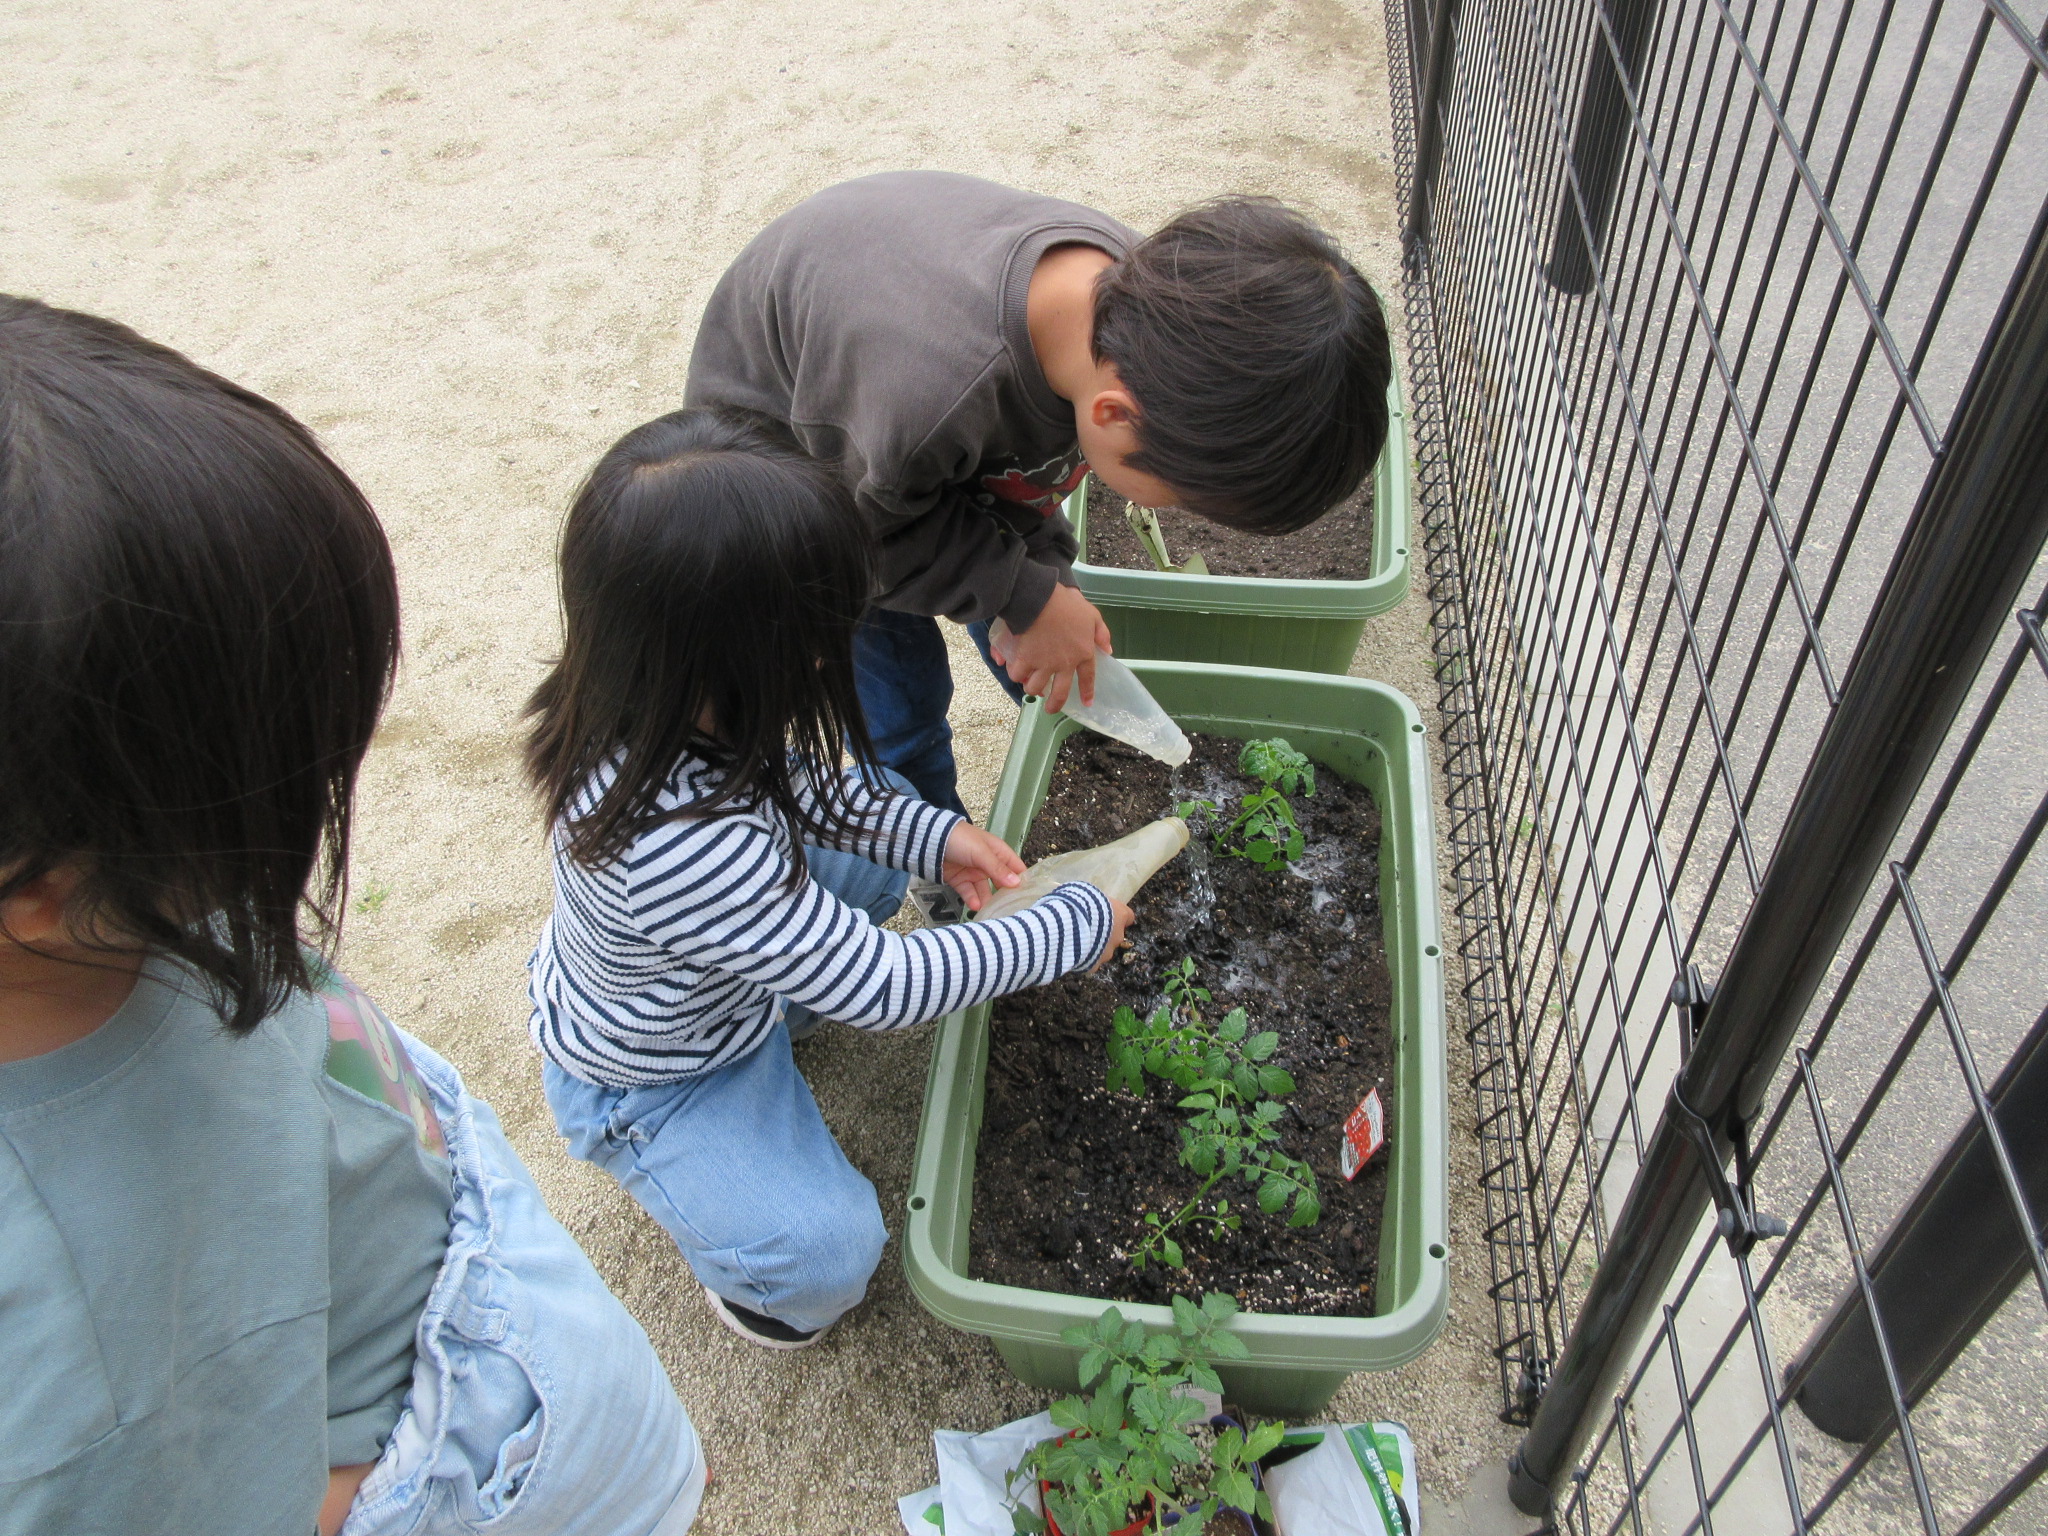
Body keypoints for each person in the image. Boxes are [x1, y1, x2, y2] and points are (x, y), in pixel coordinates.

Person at [0, 296, 704, 1536]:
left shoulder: (102, 918)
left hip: (425, 1241)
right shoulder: (69, 1321)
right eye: (262, 785)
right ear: (41, 882)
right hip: (460, 1455)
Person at [523, 407, 1136, 1351]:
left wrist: (934, 839)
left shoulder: (660, 701)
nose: (829, 653)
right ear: (719, 656)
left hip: (722, 974)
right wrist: (1070, 926)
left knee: (873, 807)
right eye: (813, 638)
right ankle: (740, 1257)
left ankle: (775, 1006)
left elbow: (818, 796)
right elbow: (888, 989)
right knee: (829, 1258)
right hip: (663, 1076)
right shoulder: (680, 842)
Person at [685, 170, 1392, 822]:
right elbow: (862, 542)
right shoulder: (926, 397)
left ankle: (1070, 736)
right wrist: (1022, 595)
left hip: (902, 452)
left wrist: (1037, 587)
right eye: (1179, 495)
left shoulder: (1145, 314)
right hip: (814, 480)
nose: (1177, 510)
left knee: (1042, 604)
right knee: (899, 692)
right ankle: (931, 833)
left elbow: (1023, 473)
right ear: (1115, 416)